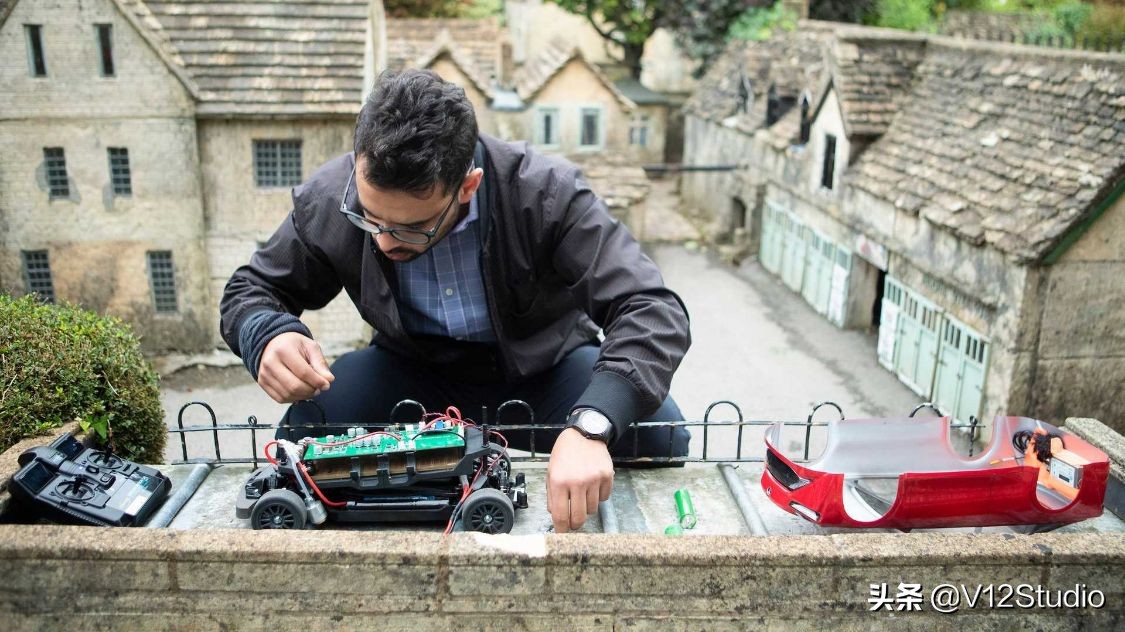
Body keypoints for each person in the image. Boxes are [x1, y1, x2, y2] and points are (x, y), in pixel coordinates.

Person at [219, 69, 691, 533]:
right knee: (305, 431)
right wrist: (267, 335)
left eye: (411, 227)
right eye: (369, 217)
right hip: (410, 369)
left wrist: (592, 426)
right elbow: (251, 290)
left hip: (542, 368)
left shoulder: (547, 192)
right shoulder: (329, 198)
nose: (382, 241)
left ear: (468, 186)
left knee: (660, 435)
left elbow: (651, 307)